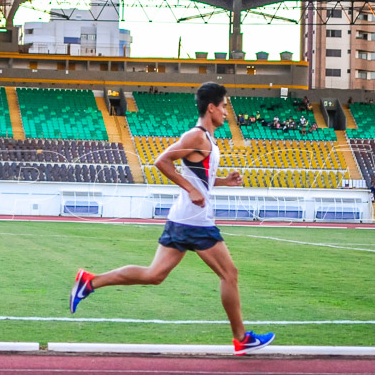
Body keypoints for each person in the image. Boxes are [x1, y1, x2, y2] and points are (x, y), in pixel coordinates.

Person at [69, 82, 275, 356]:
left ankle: (90, 282)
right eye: (224, 107)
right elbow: (161, 161)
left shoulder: (209, 140)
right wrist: (190, 190)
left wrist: (224, 181)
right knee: (230, 274)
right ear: (211, 108)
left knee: (154, 275)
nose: (226, 113)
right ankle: (241, 338)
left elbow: (199, 179)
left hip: (185, 219)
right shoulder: (197, 136)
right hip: (195, 221)